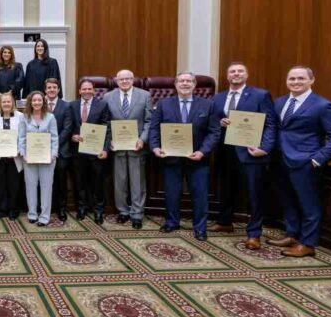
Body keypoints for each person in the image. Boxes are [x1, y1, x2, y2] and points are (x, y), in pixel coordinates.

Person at [267, 66, 331, 257]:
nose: (296, 82)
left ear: (311, 80)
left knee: (309, 204)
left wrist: (318, 159)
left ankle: (308, 243)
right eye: (292, 79)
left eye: (301, 78)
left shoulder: (323, 105)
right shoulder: (280, 102)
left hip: (305, 162)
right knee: (288, 200)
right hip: (280, 160)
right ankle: (292, 234)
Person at [211, 62, 277, 249]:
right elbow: (213, 121)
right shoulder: (218, 98)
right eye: (232, 71)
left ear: (246, 75)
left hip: (251, 152)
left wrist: (265, 147)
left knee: (254, 193)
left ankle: (254, 233)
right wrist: (220, 121)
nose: (236, 74)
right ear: (227, 76)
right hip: (225, 152)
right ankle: (225, 222)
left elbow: (271, 124)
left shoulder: (260, 95)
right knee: (226, 188)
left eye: (240, 71)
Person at [149, 72, 220, 241]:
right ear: (176, 84)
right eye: (181, 81)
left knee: (200, 194)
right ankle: (172, 222)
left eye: (189, 81)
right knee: (172, 193)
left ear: (195, 85)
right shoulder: (163, 104)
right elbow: (154, 128)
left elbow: (214, 132)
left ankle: (200, 228)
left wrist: (203, 151)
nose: (185, 84)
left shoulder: (208, 105)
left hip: (197, 158)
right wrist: (155, 147)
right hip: (171, 157)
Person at [103, 69, 153, 229]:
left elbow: (149, 121)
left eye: (128, 78)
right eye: (121, 79)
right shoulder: (107, 97)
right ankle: (123, 211)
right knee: (120, 181)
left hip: (137, 146)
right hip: (117, 147)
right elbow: (106, 122)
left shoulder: (144, 95)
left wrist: (142, 139)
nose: (124, 81)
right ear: (116, 80)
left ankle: (137, 214)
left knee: (138, 182)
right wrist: (109, 141)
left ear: (133, 79)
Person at [70, 78, 111, 223]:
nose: (87, 91)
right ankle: (81, 208)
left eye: (89, 89)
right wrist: (73, 136)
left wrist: (105, 149)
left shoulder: (102, 105)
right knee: (80, 182)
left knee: (98, 182)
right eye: (84, 89)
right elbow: (69, 126)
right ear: (79, 91)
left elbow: (107, 128)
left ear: (94, 90)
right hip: (78, 151)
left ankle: (98, 210)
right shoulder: (72, 105)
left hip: (96, 151)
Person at [19, 91, 59, 226]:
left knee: (46, 187)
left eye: (39, 100)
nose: (37, 102)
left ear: (43, 102)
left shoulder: (51, 117)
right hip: (29, 159)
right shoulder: (24, 117)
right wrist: (23, 154)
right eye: (34, 100)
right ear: (30, 102)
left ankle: (44, 216)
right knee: (30, 186)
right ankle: (32, 213)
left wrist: (53, 155)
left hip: (47, 159)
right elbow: (22, 138)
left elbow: (54, 138)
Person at [0, 92, 24, 220]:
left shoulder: (20, 116)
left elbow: (22, 136)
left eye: (9, 102)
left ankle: (13, 210)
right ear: (0, 104)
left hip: (15, 157)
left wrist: (20, 150)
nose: (6, 104)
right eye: (4, 102)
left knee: (14, 185)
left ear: (12, 103)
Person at [45, 78, 73, 221]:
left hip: (61, 151)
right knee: (44, 181)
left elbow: (67, 129)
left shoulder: (66, 106)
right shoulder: (39, 103)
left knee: (60, 180)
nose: (51, 90)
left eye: (54, 87)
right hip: (41, 151)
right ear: (45, 90)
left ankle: (61, 208)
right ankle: (45, 207)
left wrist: (53, 144)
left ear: (58, 90)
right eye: (49, 87)